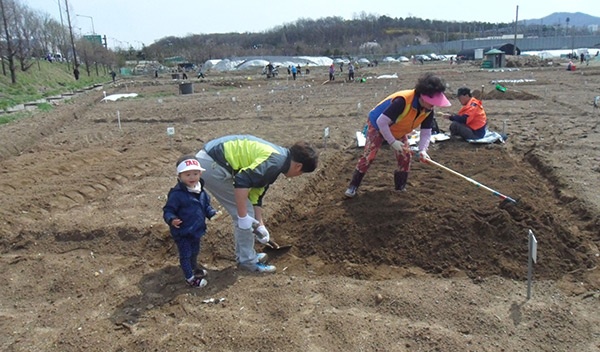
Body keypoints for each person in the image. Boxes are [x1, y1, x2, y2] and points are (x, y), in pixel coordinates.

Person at [195, 135, 318, 273]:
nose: (298, 176)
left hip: (211, 160)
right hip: (211, 164)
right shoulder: (275, 162)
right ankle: (248, 262)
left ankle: (246, 256)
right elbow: (242, 180)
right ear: (298, 166)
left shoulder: (279, 160)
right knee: (244, 212)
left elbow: (256, 194)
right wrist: (243, 217)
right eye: (302, 173)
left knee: (247, 211)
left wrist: (260, 225)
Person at [344, 73, 451, 198]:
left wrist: (423, 150)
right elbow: (381, 122)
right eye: (432, 101)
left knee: (405, 157)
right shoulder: (403, 101)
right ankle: (353, 186)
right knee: (369, 155)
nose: (434, 105)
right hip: (377, 126)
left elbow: (426, 132)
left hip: (398, 129)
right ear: (423, 96)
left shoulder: (428, 110)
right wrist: (392, 142)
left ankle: (400, 188)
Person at [163, 155, 218, 288]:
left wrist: (212, 214)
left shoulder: (201, 191)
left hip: (196, 230)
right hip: (183, 232)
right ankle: (190, 277)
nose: (192, 177)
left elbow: (205, 206)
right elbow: (168, 209)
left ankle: (194, 268)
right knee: (186, 254)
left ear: (200, 174)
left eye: (195, 173)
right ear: (180, 176)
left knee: (195, 251)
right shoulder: (177, 194)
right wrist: (171, 219)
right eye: (188, 175)